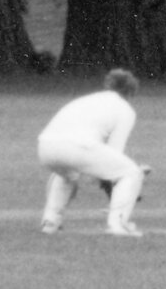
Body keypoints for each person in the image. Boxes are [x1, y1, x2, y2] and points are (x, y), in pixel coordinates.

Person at [36, 69, 147, 236]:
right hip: (78, 146)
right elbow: (115, 150)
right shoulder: (125, 110)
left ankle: (50, 222)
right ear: (130, 93)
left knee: (67, 174)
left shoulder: (88, 99)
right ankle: (118, 225)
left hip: (45, 146)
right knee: (131, 172)